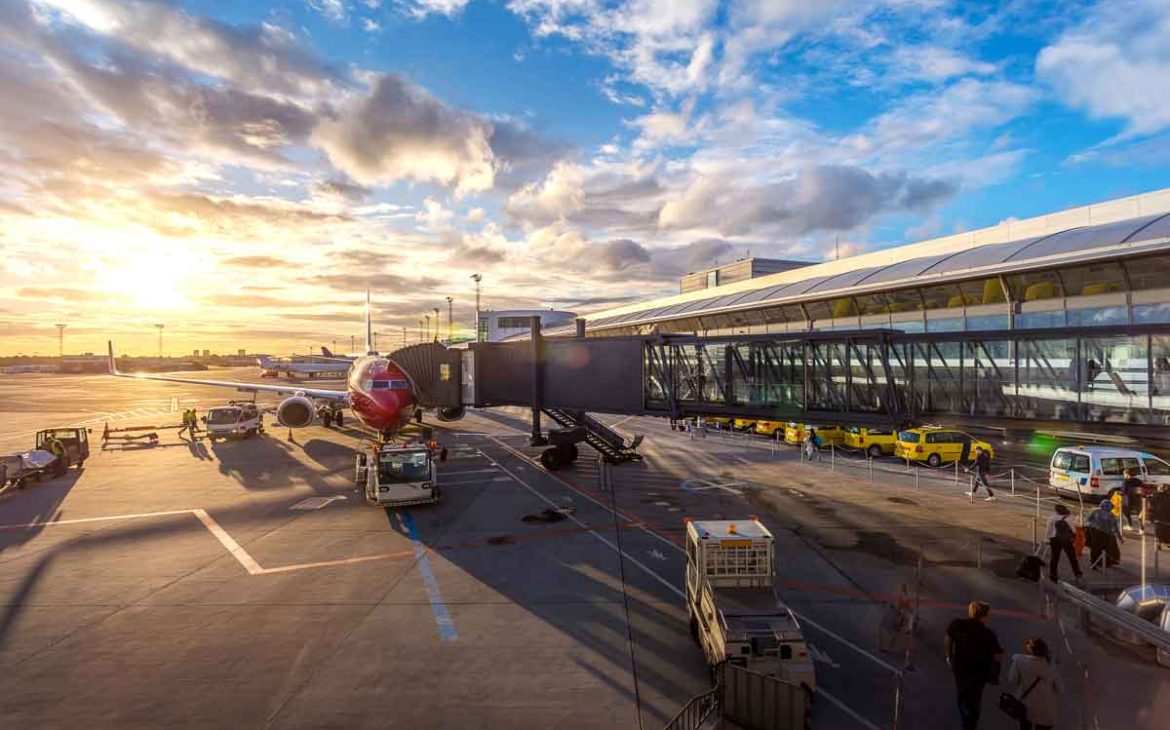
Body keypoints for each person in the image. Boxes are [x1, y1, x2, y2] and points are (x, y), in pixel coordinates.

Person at [945, 601, 1004, 730]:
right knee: (975, 697)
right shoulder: (988, 634)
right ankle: (970, 723)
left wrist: (949, 656)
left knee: (962, 695)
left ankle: (967, 721)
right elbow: (997, 655)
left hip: (960, 668)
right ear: (983, 616)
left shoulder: (958, 624)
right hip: (979, 672)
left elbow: (948, 638)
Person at [1006, 637, 1060, 730]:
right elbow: (1059, 688)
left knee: (1025, 725)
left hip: (1026, 706)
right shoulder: (1050, 666)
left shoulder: (1019, 661)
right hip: (1045, 709)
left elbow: (1012, 679)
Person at [1046, 503, 1082, 583]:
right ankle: (1077, 573)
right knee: (1072, 557)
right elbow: (1074, 530)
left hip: (1055, 539)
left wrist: (1047, 539)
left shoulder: (1052, 518)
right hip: (1067, 540)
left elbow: (1049, 530)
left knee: (1054, 557)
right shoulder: (1070, 518)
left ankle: (1053, 575)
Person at [1085, 498, 1123, 569]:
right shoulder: (1111, 515)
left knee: (1095, 548)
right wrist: (1120, 538)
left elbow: (1088, 520)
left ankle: (1094, 562)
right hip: (1105, 534)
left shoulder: (1095, 511)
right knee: (1105, 548)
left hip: (1094, 531)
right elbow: (1115, 528)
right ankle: (1104, 562)